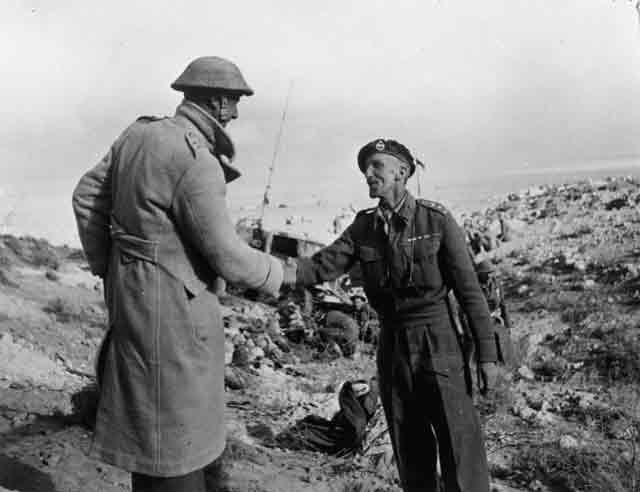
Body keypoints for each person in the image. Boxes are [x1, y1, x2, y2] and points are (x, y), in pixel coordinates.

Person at [72, 56, 284, 492]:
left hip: (133, 299)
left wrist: (111, 269)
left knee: (146, 418)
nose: (238, 113)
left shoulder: (138, 133)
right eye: (235, 101)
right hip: (176, 309)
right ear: (218, 101)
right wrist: (279, 274)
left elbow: (86, 196)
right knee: (177, 428)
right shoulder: (197, 161)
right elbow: (228, 257)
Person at [282, 138, 499, 492]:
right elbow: (320, 266)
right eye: (365, 169)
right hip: (393, 345)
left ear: (402, 171)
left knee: (460, 447)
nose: (368, 174)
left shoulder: (436, 220)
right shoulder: (363, 227)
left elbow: (470, 292)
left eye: (376, 166)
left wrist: (487, 355)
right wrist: (267, 271)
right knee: (409, 446)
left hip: (439, 340)